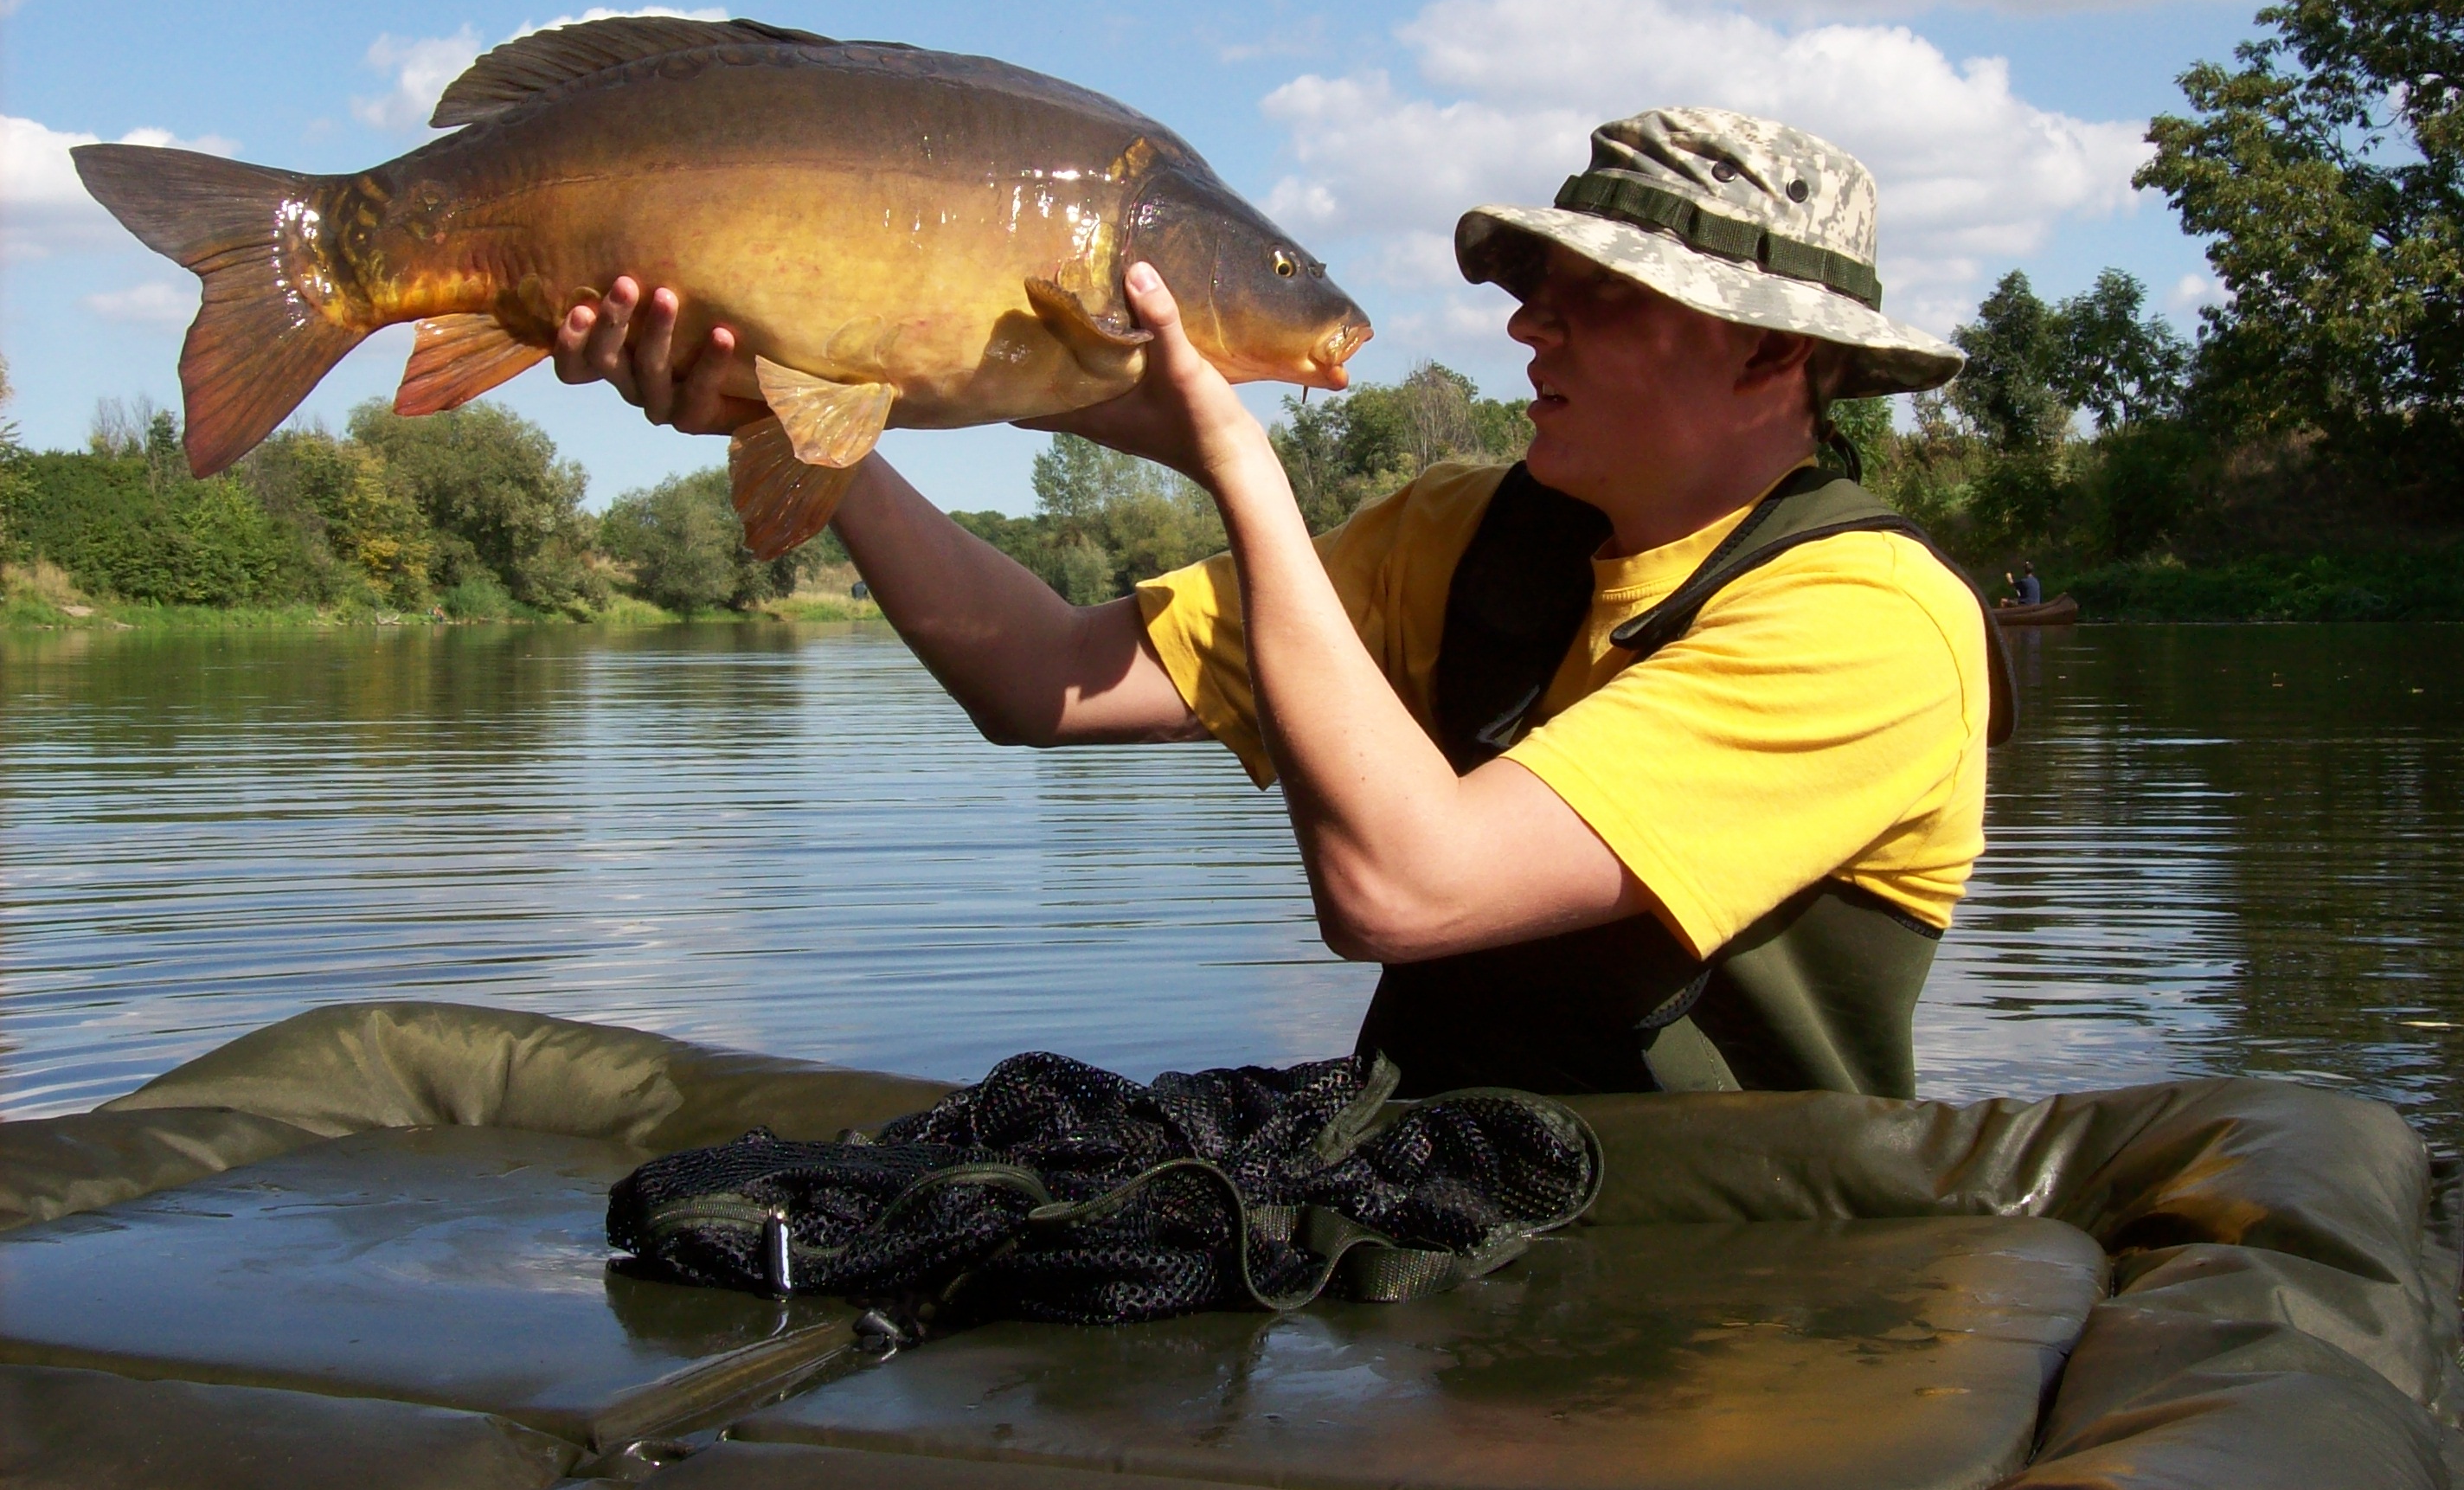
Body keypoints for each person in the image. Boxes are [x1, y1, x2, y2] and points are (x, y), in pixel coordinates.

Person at [555, 107, 2006, 1100]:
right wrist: (810, 423)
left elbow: (1405, 889)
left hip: (1736, 1302)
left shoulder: (1872, 623)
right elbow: (1038, 679)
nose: (1528, 323)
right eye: (1537, 283)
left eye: (1602, 295)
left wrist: (1235, 464)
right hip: (1455, 1243)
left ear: (1773, 357)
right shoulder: (1458, 533)